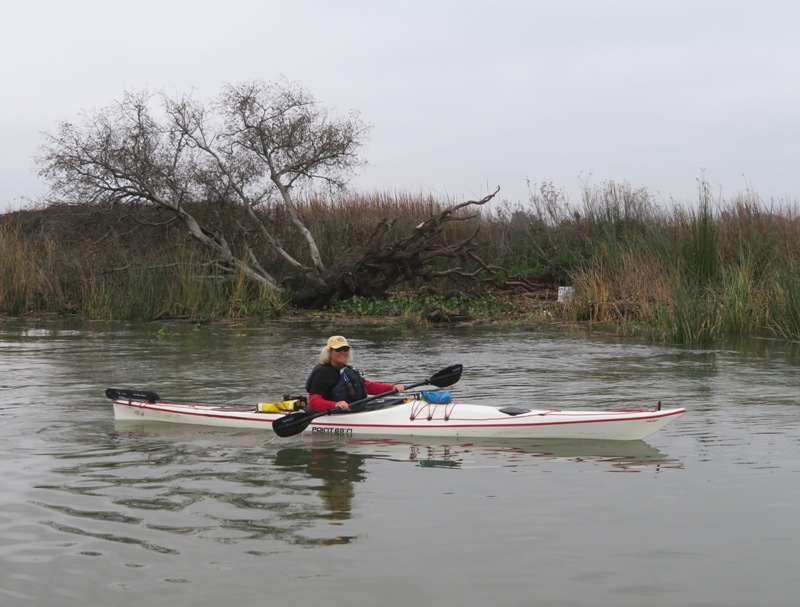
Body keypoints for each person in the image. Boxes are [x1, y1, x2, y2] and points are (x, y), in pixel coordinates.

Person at [305, 335, 404, 412]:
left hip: (354, 408)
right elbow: (313, 400)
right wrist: (335, 405)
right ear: (329, 352)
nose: (342, 352)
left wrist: (392, 388)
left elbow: (366, 386)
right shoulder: (323, 372)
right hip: (335, 412)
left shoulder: (348, 370)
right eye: (338, 349)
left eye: (345, 349)